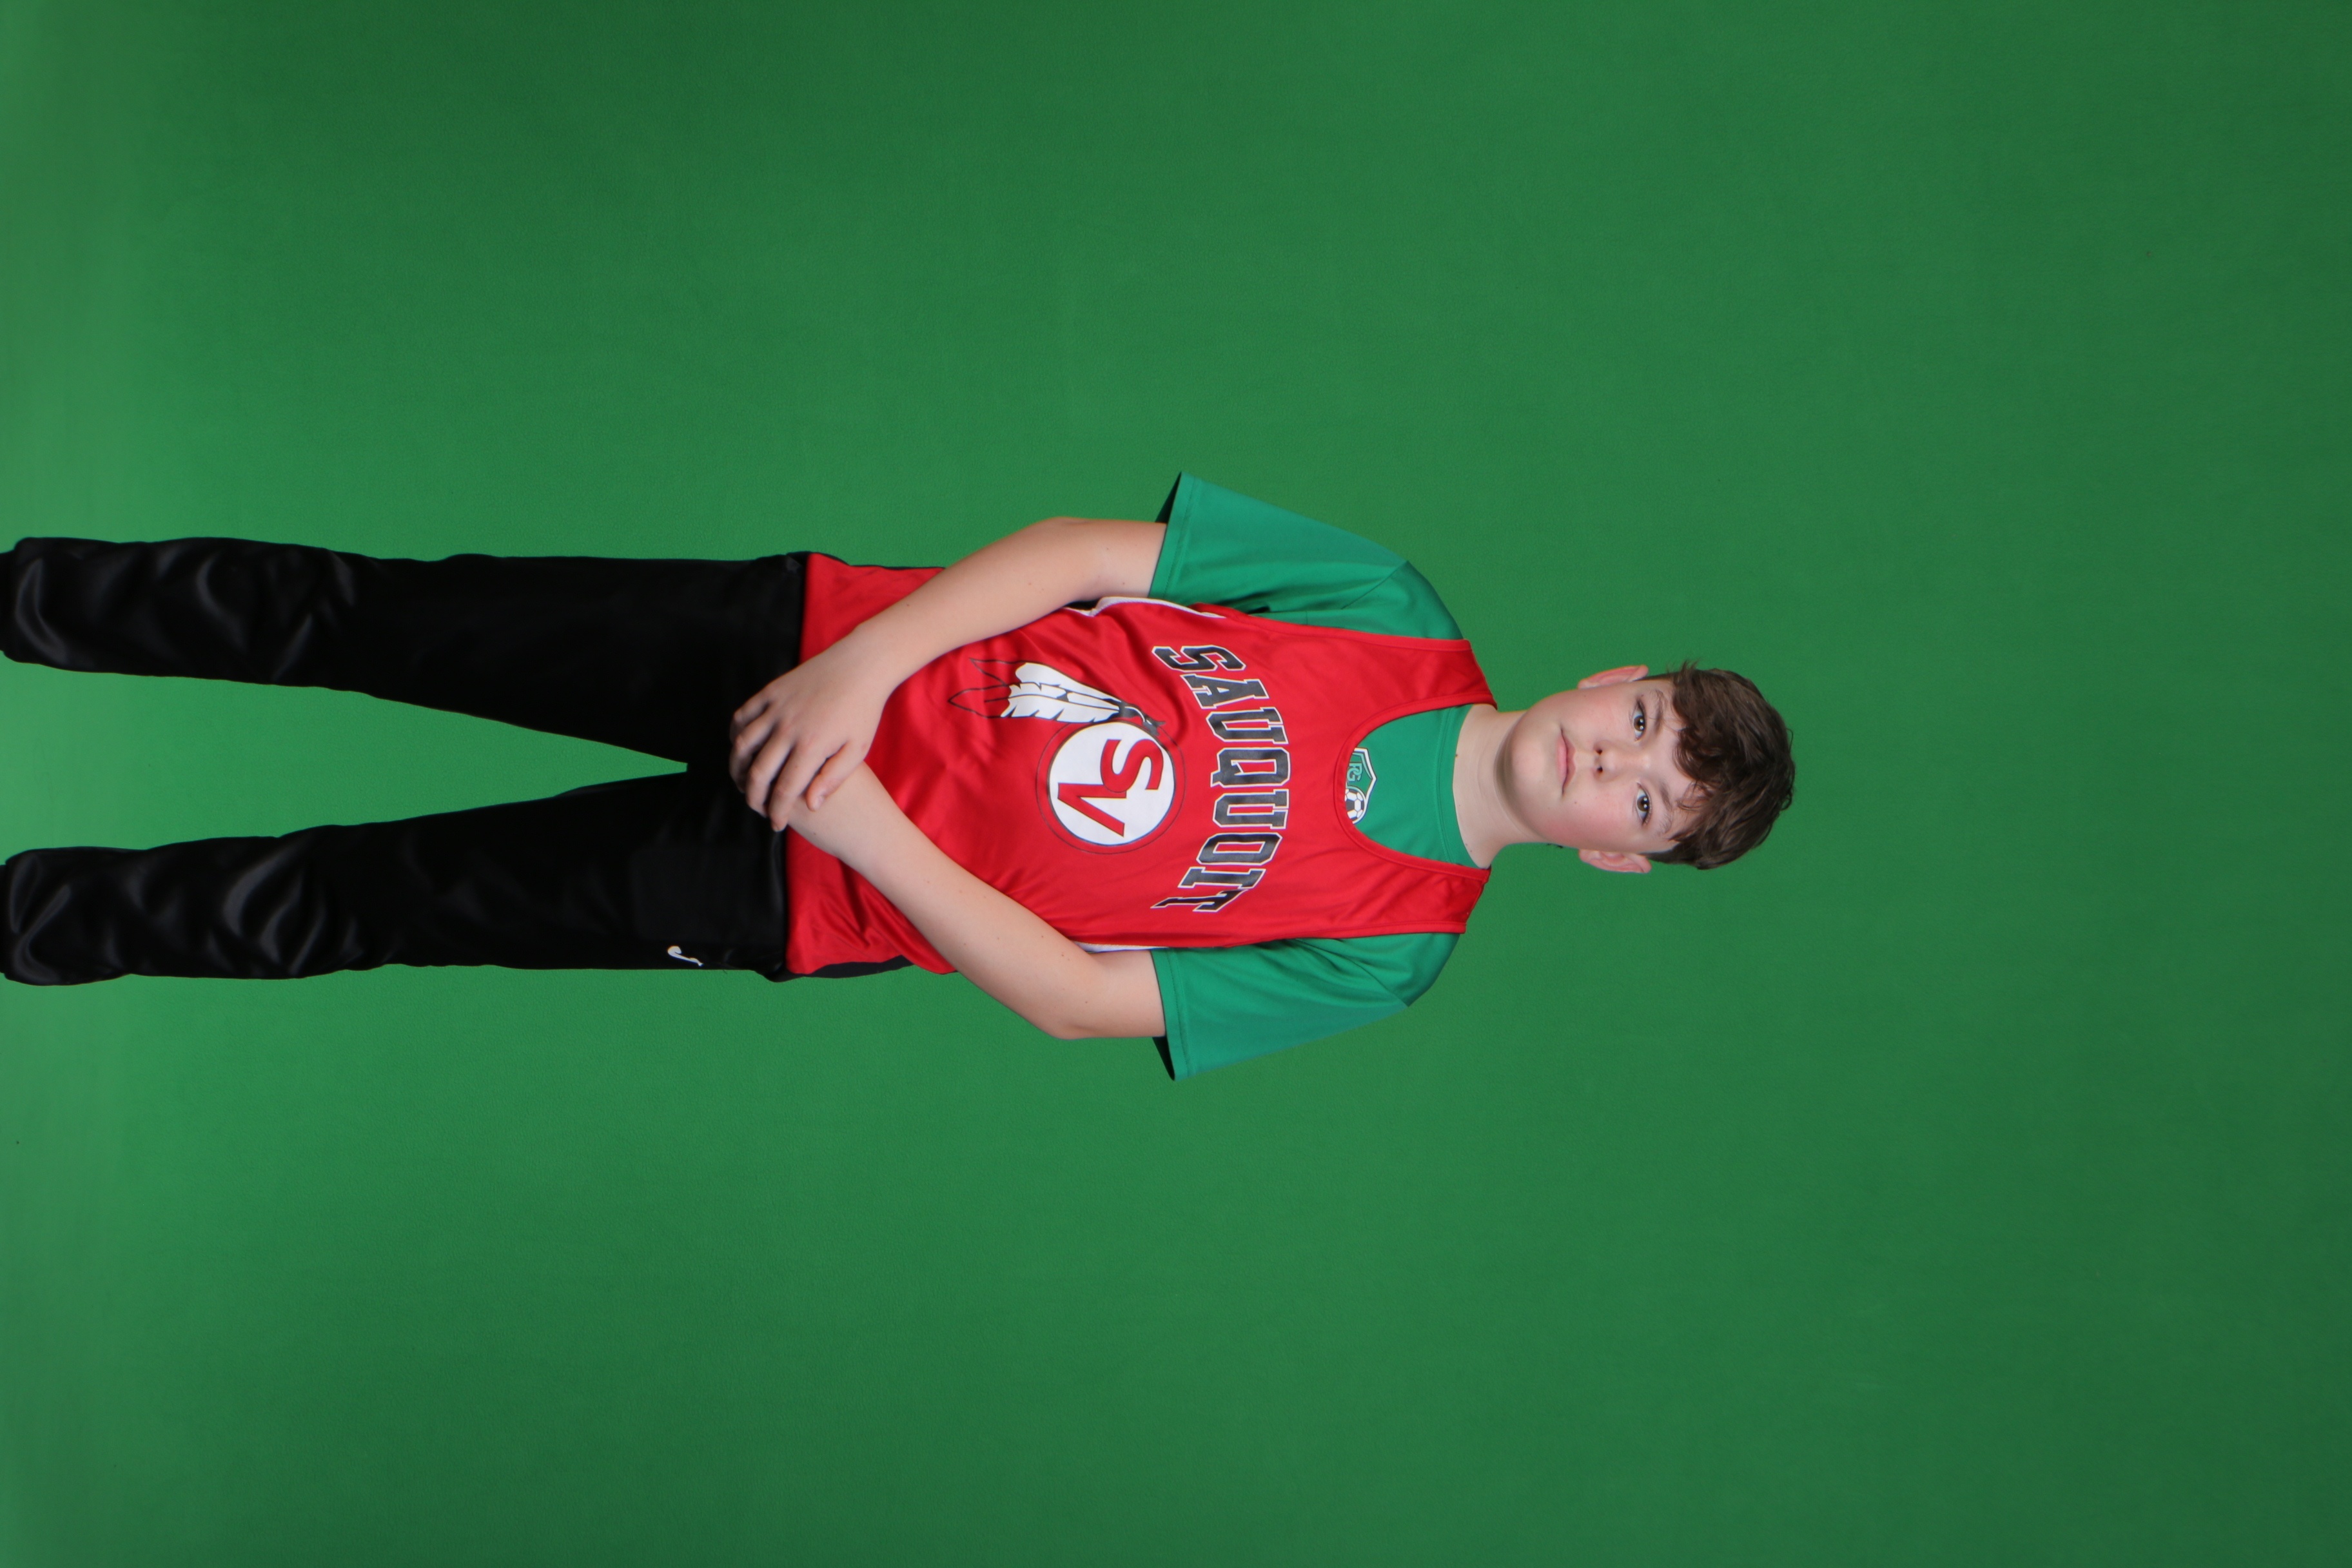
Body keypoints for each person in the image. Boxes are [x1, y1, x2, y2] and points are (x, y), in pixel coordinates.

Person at [0, 476, 1794, 1077]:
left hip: (798, 883)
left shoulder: (1393, 948)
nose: (1613, 761)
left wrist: (858, 826)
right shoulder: (1385, 610)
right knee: (385, 617)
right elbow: (1085, 555)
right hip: (798, 645)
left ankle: (32, 923)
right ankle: (30, 595)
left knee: (362, 900)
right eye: (1643, 722)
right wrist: (856, 674)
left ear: (1618, 858)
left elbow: (1086, 998)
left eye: (1645, 800)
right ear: (1612, 678)